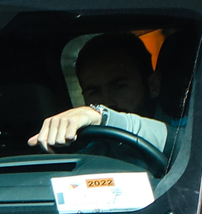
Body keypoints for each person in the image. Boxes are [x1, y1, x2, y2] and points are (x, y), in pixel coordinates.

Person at [30, 31, 174, 157]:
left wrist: (102, 115)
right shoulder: (92, 154)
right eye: (94, 91)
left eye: (119, 86)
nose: (107, 101)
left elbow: (174, 143)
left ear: (152, 85)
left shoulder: (187, 135)